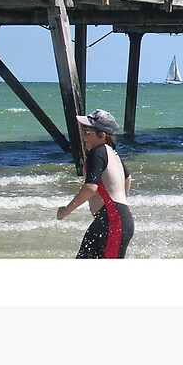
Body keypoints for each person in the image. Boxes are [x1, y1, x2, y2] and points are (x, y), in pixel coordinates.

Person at [56, 109, 134, 258]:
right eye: (83, 131)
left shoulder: (97, 152)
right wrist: (121, 202)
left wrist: (67, 210)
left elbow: (91, 187)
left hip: (113, 222)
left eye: (87, 132)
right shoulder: (112, 153)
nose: (82, 136)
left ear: (102, 135)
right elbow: (127, 178)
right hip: (110, 219)